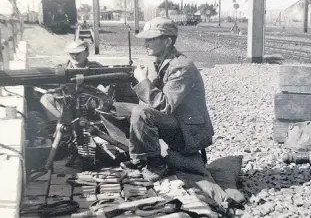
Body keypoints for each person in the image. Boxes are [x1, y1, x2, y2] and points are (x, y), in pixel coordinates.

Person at [111, 17, 214, 182]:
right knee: (113, 107)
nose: (146, 44)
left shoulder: (181, 66)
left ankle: (156, 164)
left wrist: (142, 80)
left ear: (167, 41)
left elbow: (165, 105)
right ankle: (139, 157)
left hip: (188, 131)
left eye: (151, 40)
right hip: (174, 122)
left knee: (141, 112)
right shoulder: (159, 62)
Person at [40, 40, 102, 121]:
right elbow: (52, 86)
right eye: (72, 54)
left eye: (78, 53)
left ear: (87, 53)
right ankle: (58, 124)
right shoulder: (60, 69)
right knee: (46, 99)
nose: (75, 57)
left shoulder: (96, 68)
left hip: (90, 104)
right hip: (66, 104)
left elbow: (108, 83)